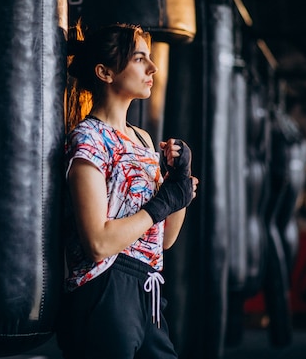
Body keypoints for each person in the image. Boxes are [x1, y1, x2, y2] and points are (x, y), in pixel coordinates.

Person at [55, 22, 199, 359]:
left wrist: (180, 185)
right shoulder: (89, 139)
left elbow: (162, 240)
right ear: (105, 72)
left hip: (147, 289)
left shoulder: (143, 140)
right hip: (104, 288)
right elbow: (98, 243)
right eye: (139, 58)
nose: (152, 67)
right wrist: (162, 203)